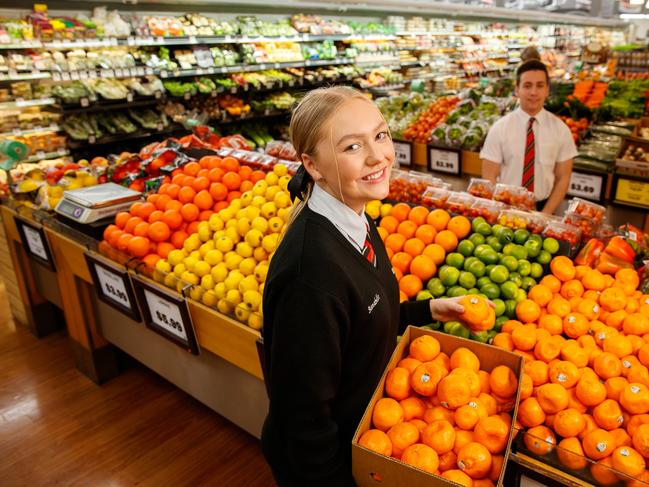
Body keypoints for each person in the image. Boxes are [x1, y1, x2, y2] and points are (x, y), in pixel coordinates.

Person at [261, 87, 468, 486]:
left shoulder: (356, 218)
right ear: (312, 164)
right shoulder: (310, 276)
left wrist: (429, 310)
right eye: (353, 146)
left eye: (381, 135)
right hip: (328, 463)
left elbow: (363, 317)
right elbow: (303, 419)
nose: (379, 157)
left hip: (368, 436)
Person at [480, 60, 578, 214]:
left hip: (544, 207)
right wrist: (499, 209)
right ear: (517, 90)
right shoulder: (500, 128)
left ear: (547, 89)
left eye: (539, 85)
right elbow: (489, 175)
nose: (533, 92)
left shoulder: (561, 130)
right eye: (527, 85)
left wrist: (546, 214)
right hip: (506, 206)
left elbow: (563, 177)